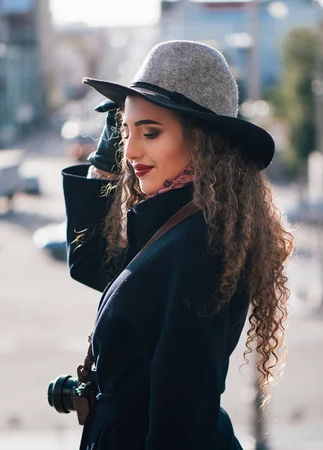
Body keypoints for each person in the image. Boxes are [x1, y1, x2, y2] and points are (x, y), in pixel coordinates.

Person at [62, 40, 294, 450]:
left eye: (150, 132)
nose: (130, 152)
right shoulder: (172, 222)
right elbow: (90, 263)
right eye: (125, 130)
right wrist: (103, 158)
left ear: (202, 140)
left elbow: (181, 427)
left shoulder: (197, 248)